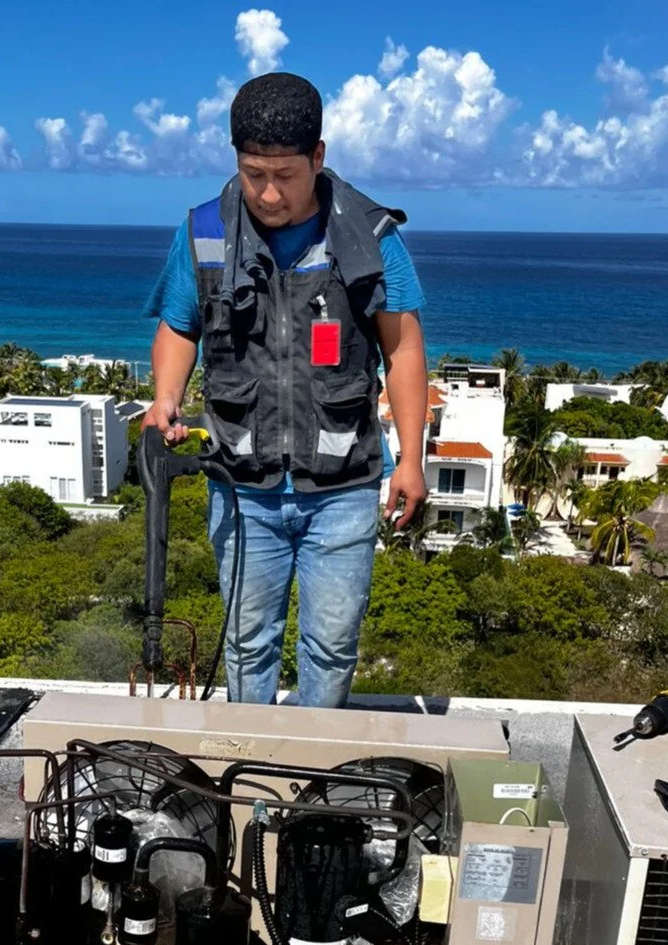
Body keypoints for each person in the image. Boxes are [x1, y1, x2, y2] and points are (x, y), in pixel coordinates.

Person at [143, 71, 428, 708]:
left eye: (286, 175)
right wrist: (166, 394)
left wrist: (411, 460)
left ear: (318, 158)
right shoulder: (203, 233)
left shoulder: (371, 237)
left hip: (344, 489)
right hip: (242, 488)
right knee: (247, 643)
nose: (269, 193)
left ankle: (310, 781)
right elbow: (178, 326)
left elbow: (403, 347)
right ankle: (254, 791)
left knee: (330, 647)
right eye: (253, 174)